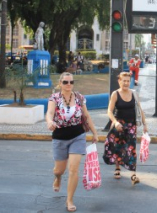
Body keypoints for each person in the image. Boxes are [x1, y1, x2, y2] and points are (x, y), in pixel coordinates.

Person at [46, 72, 99, 212]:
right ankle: (57, 178)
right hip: (59, 136)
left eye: (71, 82)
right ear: (60, 84)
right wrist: (49, 121)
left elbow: (86, 115)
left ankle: (69, 199)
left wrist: (95, 132)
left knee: (73, 169)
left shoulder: (80, 98)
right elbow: (50, 113)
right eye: (65, 82)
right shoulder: (54, 98)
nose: (69, 84)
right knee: (59, 170)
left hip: (77, 135)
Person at [103, 72, 148, 185]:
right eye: (124, 81)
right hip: (119, 125)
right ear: (119, 81)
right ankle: (117, 168)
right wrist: (115, 122)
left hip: (131, 126)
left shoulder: (134, 93)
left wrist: (145, 124)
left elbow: (140, 109)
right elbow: (109, 111)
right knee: (117, 147)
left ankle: (133, 174)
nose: (126, 83)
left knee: (131, 149)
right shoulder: (115, 94)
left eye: (128, 81)